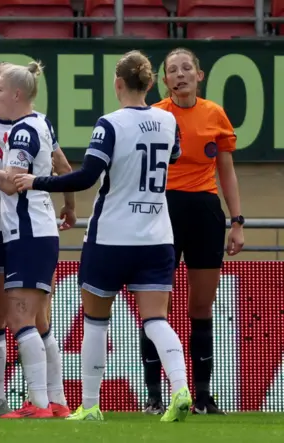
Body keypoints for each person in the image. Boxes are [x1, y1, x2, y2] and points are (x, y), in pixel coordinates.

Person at [14, 50, 192, 422]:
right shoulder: (168, 120)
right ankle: (180, 387)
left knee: (96, 321)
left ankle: (91, 405)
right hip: (157, 235)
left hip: (112, 235)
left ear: (118, 84)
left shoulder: (109, 124)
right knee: (156, 320)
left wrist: (36, 181)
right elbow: (173, 158)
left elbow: (87, 177)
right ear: (151, 83)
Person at [141, 47, 244, 416]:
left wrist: (237, 221)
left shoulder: (215, 113)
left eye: (187, 68)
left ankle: (203, 395)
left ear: (199, 76)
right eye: (173, 70)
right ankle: (155, 395)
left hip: (204, 211)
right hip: (161, 212)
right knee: (157, 308)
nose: (181, 74)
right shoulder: (154, 116)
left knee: (201, 307)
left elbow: (227, 172)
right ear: (164, 80)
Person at [0, 62, 74, 417]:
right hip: (39, 231)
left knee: (19, 318)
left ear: (15, 93)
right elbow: (62, 166)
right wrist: (69, 205)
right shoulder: (42, 122)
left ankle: (40, 403)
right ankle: (55, 400)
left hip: (27, 233)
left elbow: (10, 182)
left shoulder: (23, 131)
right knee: (40, 322)